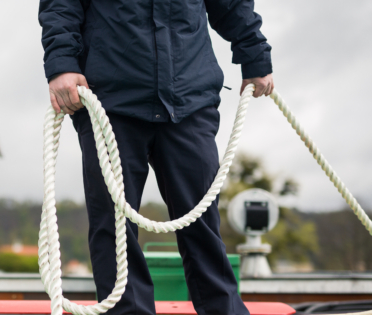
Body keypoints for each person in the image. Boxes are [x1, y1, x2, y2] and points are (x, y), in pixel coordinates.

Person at [39, 0, 274, 314]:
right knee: (114, 226)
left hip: (189, 98)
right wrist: (62, 62)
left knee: (202, 220)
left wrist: (255, 54)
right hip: (110, 100)